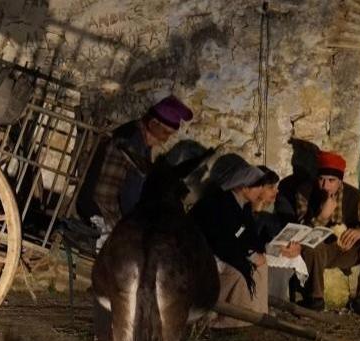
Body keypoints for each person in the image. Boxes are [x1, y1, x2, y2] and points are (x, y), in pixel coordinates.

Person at [76, 95, 193, 227]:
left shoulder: (137, 136)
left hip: (95, 203)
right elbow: (128, 194)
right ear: (153, 123)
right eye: (165, 133)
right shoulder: (134, 143)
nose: (165, 140)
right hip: (99, 209)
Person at [191, 154, 268, 328]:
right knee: (238, 273)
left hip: (229, 250)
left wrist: (257, 252)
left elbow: (250, 235)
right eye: (258, 186)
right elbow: (220, 241)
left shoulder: (245, 205)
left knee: (262, 264)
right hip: (206, 252)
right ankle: (224, 317)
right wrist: (247, 256)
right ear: (244, 188)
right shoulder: (218, 205)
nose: (261, 191)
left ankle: (256, 311)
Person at [296, 151, 360, 316]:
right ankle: (316, 299)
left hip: (346, 249)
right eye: (321, 179)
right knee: (312, 248)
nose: (325, 185)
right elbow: (302, 233)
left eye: (331, 180)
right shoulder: (305, 193)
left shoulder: (355, 196)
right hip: (321, 251)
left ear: (340, 180)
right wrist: (322, 216)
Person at [251, 166, 306, 301]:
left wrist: (296, 247)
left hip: (276, 249)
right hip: (255, 250)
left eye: (276, 187)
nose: (276, 191)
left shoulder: (280, 203)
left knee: (288, 259)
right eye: (271, 187)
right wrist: (257, 213)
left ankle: (276, 302)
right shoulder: (245, 204)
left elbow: (290, 229)